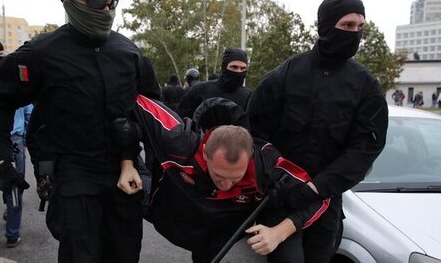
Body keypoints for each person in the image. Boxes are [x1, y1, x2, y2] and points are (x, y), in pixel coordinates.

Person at [0, 0, 161, 262]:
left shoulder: (131, 54)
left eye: (112, 1)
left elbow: (154, 117)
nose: (106, 8)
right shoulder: (41, 53)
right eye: (98, 0)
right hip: (73, 177)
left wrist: (152, 170)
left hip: (123, 176)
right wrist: (3, 159)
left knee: (124, 255)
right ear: (71, 1)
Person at [247, 0, 388, 262]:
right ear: (325, 26)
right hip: (281, 198)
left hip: (325, 204)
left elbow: (366, 147)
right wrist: (275, 176)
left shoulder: (365, 86)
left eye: (360, 27)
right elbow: (254, 130)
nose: (355, 32)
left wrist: (316, 188)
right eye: (347, 25)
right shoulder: (286, 74)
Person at [115, 96, 329, 263]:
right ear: (205, 150)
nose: (226, 185)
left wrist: (280, 232)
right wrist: (126, 161)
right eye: (219, 175)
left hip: (215, 238)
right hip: (165, 213)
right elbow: (134, 98)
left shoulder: (268, 166)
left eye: (236, 177)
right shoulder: (179, 141)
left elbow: (321, 196)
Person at [176, 48, 252, 118]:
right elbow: (180, 118)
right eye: (234, 67)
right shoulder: (200, 90)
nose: (238, 71)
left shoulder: (248, 96)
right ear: (224, 67)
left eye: (243, 68)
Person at [2, 104, 33, 248]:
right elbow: (29, 117)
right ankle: (12, 235)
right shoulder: (17, 85)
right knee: (15, 185)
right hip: (14, 139)